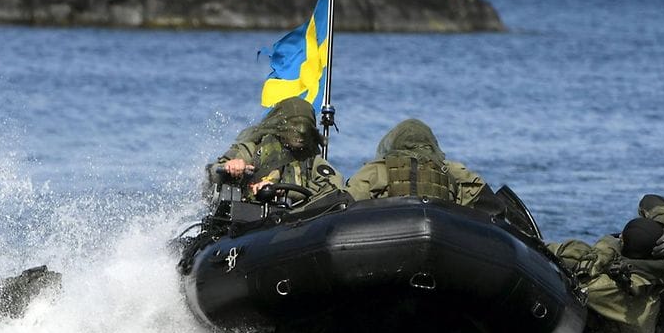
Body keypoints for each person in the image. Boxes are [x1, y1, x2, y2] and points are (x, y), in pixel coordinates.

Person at [548, 194, 664, 333]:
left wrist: (606, 246)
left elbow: (582, 286)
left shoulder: (622, 287)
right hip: (656, 322)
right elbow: (662, 203)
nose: (619, 237)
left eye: (622, 240)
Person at [208, 97, 343, 208]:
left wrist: (284, 191)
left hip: (295, 219)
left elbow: (334, 185)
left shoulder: (311, 159)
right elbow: (213, 172)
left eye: (305, 127)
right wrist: (231, 166)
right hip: (248, 217)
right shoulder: (253, 149)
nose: (301, 131)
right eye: (295, 125)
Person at [345, 118, 493, 207]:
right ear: (430, 143)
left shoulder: (375, 169)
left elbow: (345, 203)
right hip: (442, 232)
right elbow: (490, 205)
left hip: (389, 232)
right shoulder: (453, 170)